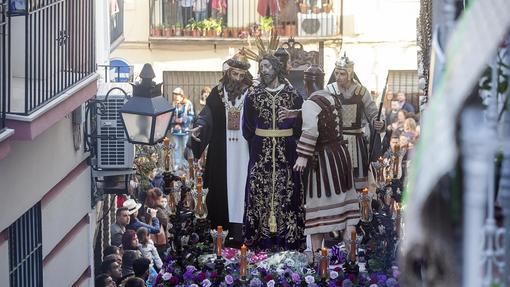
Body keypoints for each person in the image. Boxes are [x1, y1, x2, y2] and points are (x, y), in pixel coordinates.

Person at [293, 66, 359, 252]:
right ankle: (351, 259)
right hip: (341, 156)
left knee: (318, 215)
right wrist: (297, 113)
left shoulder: (310, 103)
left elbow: (311, 130)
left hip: (324, 162)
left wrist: (303, 156)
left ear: (306, 83)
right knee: (347, 215)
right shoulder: (333, 97)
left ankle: (315, 260)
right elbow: (324, 116)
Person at [242, 54, 304, 250]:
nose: (264, 70)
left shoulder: (293, 95)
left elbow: (302, 124)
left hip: (287, 151)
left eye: (267, 66)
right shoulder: (253, 95)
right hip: (260, 152)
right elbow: (247, 128)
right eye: (261, 67)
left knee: (289, 191)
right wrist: (260, 143)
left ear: (276, 68)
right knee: (259, 190)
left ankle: (289, 238)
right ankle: (260, 238)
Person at [190, 51, 252, 244]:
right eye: (235, 75)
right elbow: (206, 115)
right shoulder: (217, 93)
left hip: (246, 148)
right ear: (228, 73)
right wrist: (200, 127)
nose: (238, 79)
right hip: (221, 150)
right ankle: (221, 231)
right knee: (221, 188)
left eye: (242, 76)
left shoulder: (253, 92)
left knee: (245, 186)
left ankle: (244, 231)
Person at [326, 53, 385, 190]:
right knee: (336, 180)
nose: (338, 77)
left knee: (358, 182)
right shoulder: (329, 90)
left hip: (357, 143)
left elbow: (373, 112)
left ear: (350, 74)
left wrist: (379, 122)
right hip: (336, 141)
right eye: (337, 73)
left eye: (342, 74)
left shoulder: (361, 91)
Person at [170, 87, 195, 169]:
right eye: (174, 94)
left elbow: (191, 116)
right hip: (175, 129)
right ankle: (177, 164)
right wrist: (174, 120)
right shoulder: (172, 104)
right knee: (176, 147)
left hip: (185, 130)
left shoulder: (188, 104)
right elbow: (169, 117)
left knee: (185, 147)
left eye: (177, 95)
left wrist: (183, 120)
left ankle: (185, 164)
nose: (175, 96)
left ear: (181, 95)